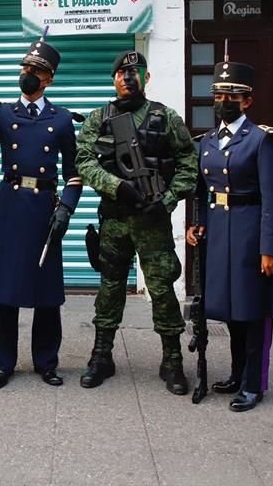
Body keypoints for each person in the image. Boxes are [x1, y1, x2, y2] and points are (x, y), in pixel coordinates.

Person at [75, 50, 197, 394]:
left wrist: (169, 199)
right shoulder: (99, 117)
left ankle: (172, 360)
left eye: (135, 72)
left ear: (146, 77)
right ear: (113, 79)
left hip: (153, 221)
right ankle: (102, 356)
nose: (128, 78)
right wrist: (117, 186)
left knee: (161, 289)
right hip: (115, 219)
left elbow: (190, 161)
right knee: (110, 287)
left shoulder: (166, 117)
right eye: (121, 73)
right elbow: (82, 160)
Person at [0, 38, 82, 389]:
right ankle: (3, 364)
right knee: (5, 288)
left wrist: (66, 207)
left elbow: (74, 172)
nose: (27, 75)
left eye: (35, 71)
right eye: (25, 69)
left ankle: (46, 362)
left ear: (49, 79)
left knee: (46, 290)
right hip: (10, 204)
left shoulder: (61, 120)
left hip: (44, 207)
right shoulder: (4, 114)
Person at [186, 61, 273, 412]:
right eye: (218, 94)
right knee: (231, 310)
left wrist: (270, 247)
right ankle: (236, 372)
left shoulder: (261, 140)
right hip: (218, 234)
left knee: (253, 311)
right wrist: (196, 223)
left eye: (231, 94)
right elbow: (200, 190)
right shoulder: (207, 142)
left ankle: (254, 384)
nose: (223, 100)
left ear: (247, 101)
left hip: (249, 233)